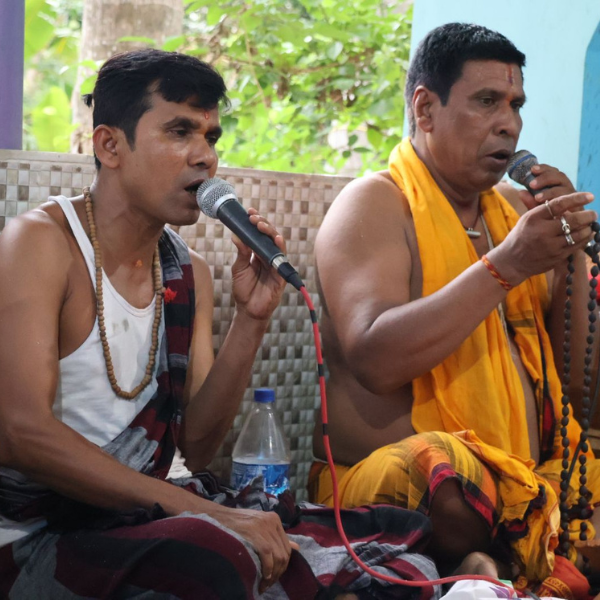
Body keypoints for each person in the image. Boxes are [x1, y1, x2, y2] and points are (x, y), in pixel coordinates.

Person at [0, 49, 439, 599]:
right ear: (110, 146)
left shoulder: (188, 272)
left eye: (211, 137)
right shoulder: (40, 245)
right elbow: (18, 433)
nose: (205, 157)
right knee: (221, 554)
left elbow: (199, 446)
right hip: (37, 534)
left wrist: (252, 320)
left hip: (141, 518)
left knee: (391, 533)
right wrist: (205, 512)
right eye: (180, 131)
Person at [308, 22, 600, 596]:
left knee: (573, 480)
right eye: (487, 101)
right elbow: (375, 360)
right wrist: (507, 265)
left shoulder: (514, 213)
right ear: (425, 108)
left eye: (516, 104)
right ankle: (516, 561)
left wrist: (571, 256)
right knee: (441, 470)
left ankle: (492, 565)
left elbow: (576, 389)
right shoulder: (374, 203)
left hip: (521, 481)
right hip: (403, 482)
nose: (509, 123)